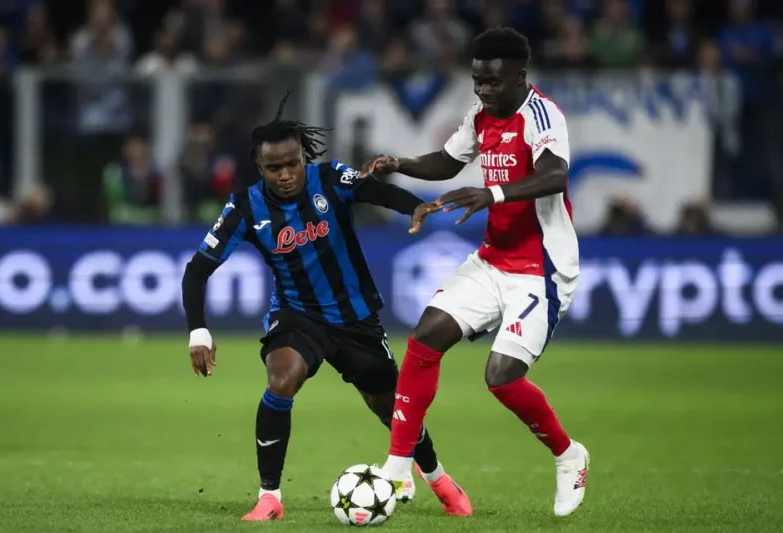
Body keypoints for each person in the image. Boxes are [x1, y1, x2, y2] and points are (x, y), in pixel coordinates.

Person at [181, 92, 472, 522]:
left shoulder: (331, 178)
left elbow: (374, 190)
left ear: (304, 157)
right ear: (259, 167)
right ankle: (269, 498)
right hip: (297, 315)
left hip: (356, 318)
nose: (285, 175)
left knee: (391, 407)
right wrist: (199, 331)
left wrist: (415, 206)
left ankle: (438, 478)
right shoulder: (244, 207)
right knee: (282, 380)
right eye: (274, 168)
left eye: (292, 163)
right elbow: (197, 270)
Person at [362, 28, 589, 517]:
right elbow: (447, 162)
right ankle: (397, 469)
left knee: (501, 377)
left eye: (493, 81)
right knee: (425, 336)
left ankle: (569, 455)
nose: (483, 90)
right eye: (477, 81)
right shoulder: (481, 116)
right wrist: (399, 163)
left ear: (520, 76)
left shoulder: (542, 115)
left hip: (542, 268)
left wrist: (493, 193)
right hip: (493, 259)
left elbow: (555, 175)